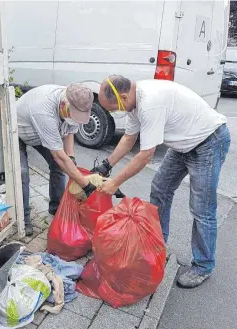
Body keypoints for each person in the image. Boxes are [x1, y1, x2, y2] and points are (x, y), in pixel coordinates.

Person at [92, 75, 230, 288]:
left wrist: (115, 182)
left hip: (208, 142)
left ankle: (203, 265)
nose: (114, 112)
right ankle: (158, 244)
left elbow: (145, 155)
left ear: (124, 96)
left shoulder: (150, 104)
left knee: (202, 208)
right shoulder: (133, 104)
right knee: (160, 188)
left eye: (113, 108)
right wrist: (106, 166)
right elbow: (128, 138)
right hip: (184, 144)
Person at [17, 83, 96, 236]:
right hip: (19, 130)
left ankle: (57, 208)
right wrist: (86, 185)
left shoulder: (76, 102)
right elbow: (59, 156)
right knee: (22, 173)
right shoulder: (44, 110)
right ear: (64, 104)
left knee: (61, 166)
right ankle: (24, 219)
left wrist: (71, 157)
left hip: (41, 134)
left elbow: (69, 133)